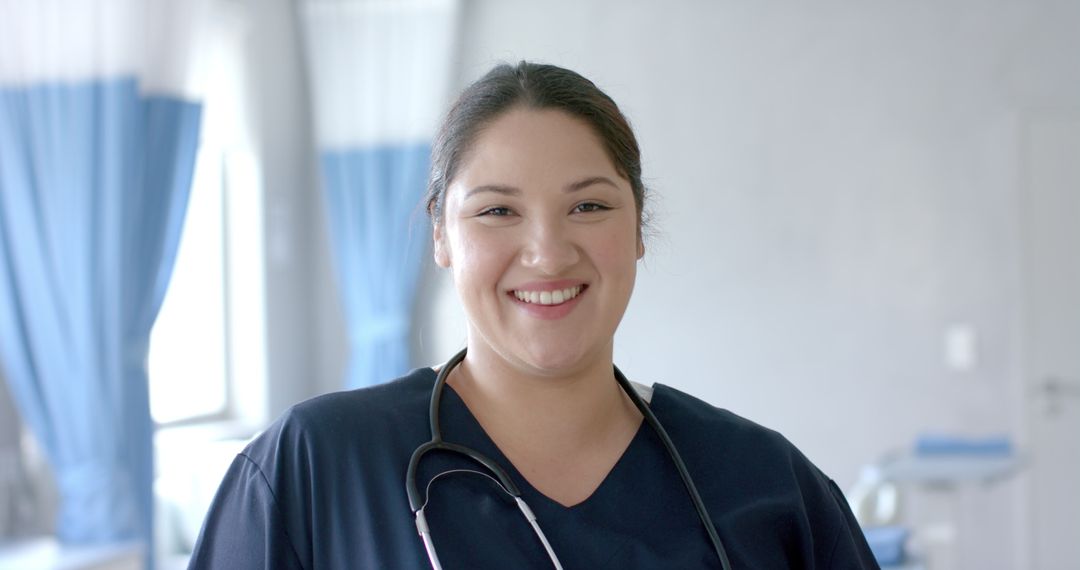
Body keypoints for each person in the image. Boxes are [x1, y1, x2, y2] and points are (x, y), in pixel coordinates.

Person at [188, 62, 880, 569]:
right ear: (440, 236)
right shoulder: (316, 469)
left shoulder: (764, 483)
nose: (548, 254)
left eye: (589, 206)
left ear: (639, 226)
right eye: (497, 211)